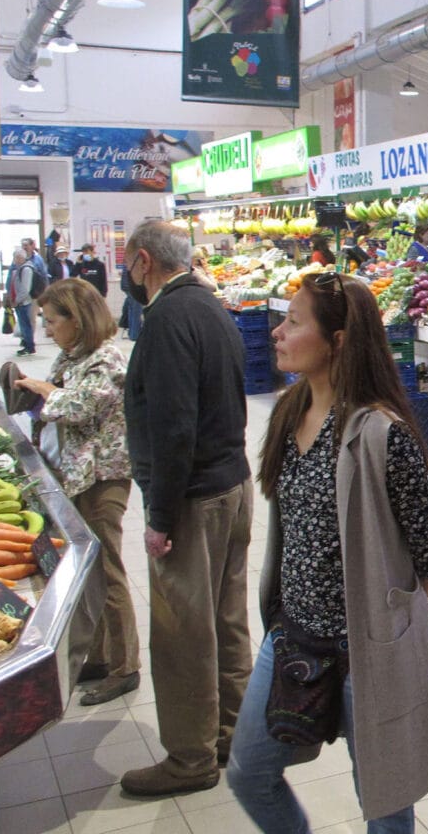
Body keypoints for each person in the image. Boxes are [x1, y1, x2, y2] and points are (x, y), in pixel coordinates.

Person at [228, 272, 428, 833]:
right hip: (291, 636)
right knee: (248, 772)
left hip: (366, 649)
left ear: (337, 340)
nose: (278, 333)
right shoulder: (289, 413)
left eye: (293, 321)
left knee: (384, 799)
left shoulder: (383, 433)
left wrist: (392, 617)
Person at [120, 221, 253, 797]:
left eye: (126, 266)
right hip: (231, 484)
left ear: (143, 262)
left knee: (182, 633)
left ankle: (190, 758)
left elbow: (173, 425)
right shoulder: (213, 307)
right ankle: (234, 736)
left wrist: (159, 516)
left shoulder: (167, 319)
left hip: (193, 497)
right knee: (226, 621)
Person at [14, 279, 140, 706]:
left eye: (52, 321)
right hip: (76, 476)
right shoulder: (74, 356)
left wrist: (45, 392)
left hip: (101, 480)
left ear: (77, 319)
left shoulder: (105, 359)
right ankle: (102, 656)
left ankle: (126, 667)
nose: (47, 329)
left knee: (108, 573)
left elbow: (76, 408)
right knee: (90, 576)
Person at [6, 245, 36, 356]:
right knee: (23, 325)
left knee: (26, 325)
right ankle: (26, 344)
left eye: (16, 257)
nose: (14, 260)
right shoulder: (18, 269)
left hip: (24, 302)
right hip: (19, 302)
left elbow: (25, 289)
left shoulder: (26, 269)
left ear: (20, 258)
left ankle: (29, 346)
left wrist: (17, 300)